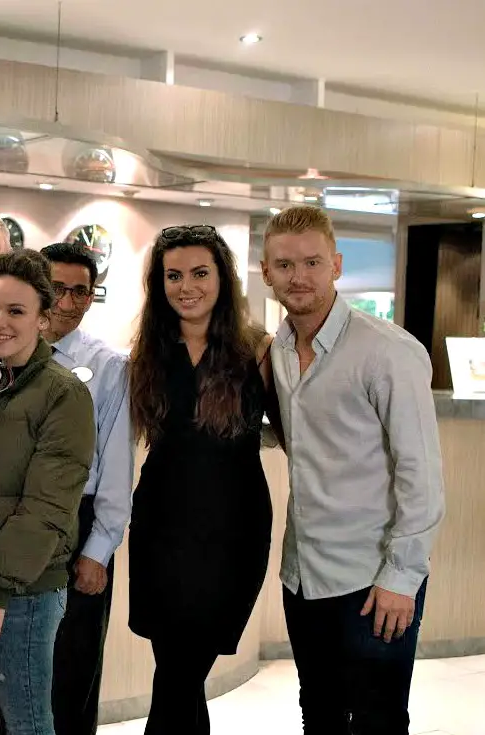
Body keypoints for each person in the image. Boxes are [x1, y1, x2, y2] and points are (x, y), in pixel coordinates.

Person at [262, 206, 444, 735]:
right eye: (285, 264)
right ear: (267, 271)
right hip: (303, 577)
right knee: (317, 715)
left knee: (377, 721)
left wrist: (402, 578)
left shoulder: (388, 351)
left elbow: (423, 475)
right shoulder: (274, 351)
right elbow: (301, 433)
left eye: (312, 262)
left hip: (373, 581)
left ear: (336, 265)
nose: (299, 276)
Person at [126, 225, 274, 735]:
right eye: (173, 275)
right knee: (178, 671)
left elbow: (299, 433)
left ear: (223, 278)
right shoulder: (147, 351)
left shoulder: (257, 351)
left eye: (199, 273)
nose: (186, 286)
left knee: (182, 672)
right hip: (160, 530)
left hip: (233, 531)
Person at [0, 249, 95, 735]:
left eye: (15, 311)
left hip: (22, 593)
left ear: (43, 319)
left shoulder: (63, 393)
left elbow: (46, 508)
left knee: (28, 723)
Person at [40, 241, 133, 735]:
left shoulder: (108, 365)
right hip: (13, 524)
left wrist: (99, 549)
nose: (70, 302)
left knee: (71, 673)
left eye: (82, 291)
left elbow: (117, 465)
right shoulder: (7, 351)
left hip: (81, 524)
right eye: (58, 289)